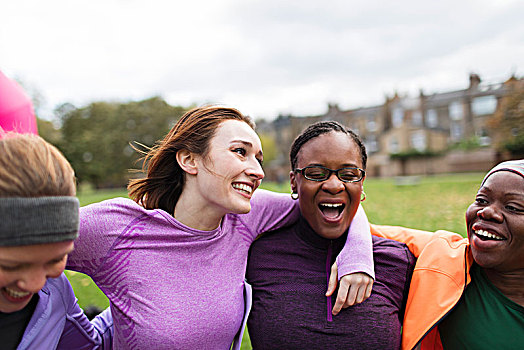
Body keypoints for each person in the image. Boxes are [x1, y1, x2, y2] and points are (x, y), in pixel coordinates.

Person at [66, 106, 375, 349]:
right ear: (189, 160)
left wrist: (358, 256)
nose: (257, 171)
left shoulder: (246, 217)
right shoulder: (118, 229)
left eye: (258, 158)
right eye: (240, 152)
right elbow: (25, 238)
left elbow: (330, 199)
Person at [246, 121, 415, 349]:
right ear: (294, 182)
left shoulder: (399, 261)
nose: (334, 185)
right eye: (316, 173)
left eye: (348, 174)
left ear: (362, 182)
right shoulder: (257, 257)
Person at [370, 159, 524, 349]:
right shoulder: (444, 255)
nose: (488, 211)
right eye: (481, 200)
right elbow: (358, 225)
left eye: (513, 207)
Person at [0, 133, 112, 349]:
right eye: (11, 265)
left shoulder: (55, 292)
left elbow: (91, 345)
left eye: (54, 260)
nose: (35, 285)